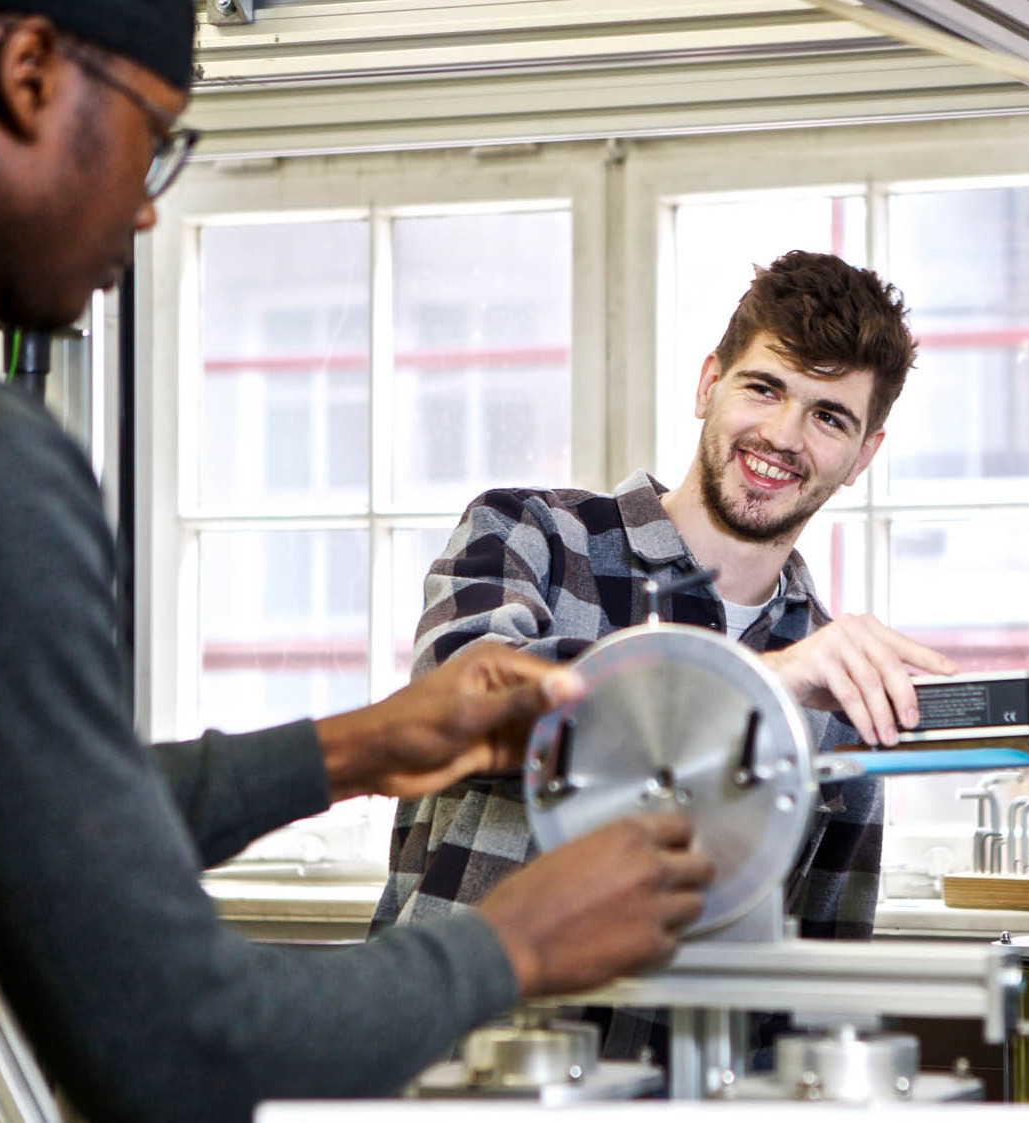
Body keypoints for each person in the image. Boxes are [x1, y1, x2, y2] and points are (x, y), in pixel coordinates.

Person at [0, 2, 714, 1122]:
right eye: (157, 141)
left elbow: (34, 816)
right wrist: (518, 940)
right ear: (30, 72)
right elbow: (188, 1047)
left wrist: (359, 745)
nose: (147, 207)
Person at [376, 252, 957, 978]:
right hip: (460, 1038)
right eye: (764, 388)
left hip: (688, 1058)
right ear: (709, 384)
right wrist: (759, 684)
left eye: (828, 417)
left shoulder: (839, 686)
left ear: (863, 455)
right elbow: (454, 716)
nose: (784, 435)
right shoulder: (531, 534)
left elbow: (816, 980)